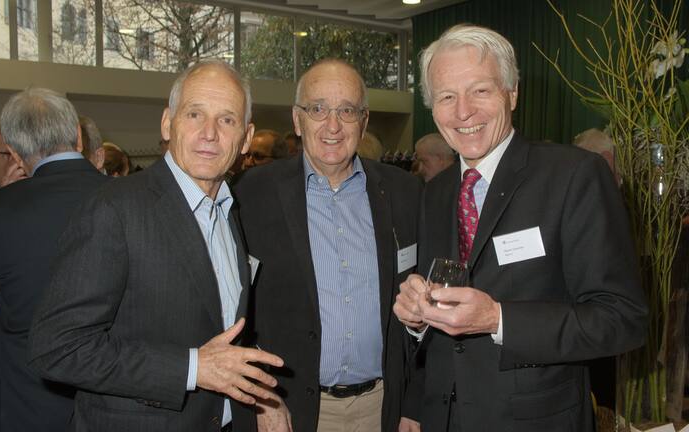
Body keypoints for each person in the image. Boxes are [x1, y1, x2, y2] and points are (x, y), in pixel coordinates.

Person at [392, 24, 647, 431]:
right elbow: (442, 313)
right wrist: (418, 319)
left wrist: (497, 319)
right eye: (446, 96)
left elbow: (622, 320)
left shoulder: (573, 175)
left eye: (480, 90)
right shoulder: (436, 191)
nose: (463, 112)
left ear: (512, 93)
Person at [28, 60, 284, 432]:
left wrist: (262, 398)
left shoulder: (229, 210)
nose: (209, 133)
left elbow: (219, 326)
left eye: (227, 120)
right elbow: (57, 347)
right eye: (194, 114)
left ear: (245, 138)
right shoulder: (114, 209)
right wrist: (193, 368)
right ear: (167, 123)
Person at [234, 58, 422, 432]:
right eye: (318, 109)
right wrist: (260, 397)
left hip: (383, 405)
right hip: (290, 410)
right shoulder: (251, 194)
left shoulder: (405, 193)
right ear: (297, 119)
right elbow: (232, 310)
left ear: (363, 121)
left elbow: (426, 307)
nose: (333, 126)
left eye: (347, 111)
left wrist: (413, 404)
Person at [0, 88, 109, 431]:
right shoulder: (131, 199)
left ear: (15, 153)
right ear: (77, 135)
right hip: (107, 397)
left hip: (22, 402)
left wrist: (6, 295)